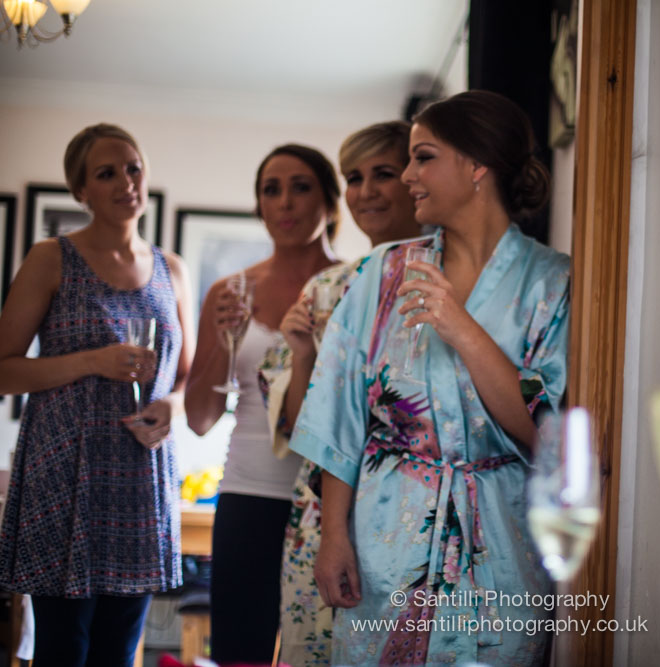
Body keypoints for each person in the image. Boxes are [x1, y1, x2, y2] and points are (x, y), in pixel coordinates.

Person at [289, 90, 571, 666]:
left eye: (424, 157)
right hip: (383, 539)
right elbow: (339, 419)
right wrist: (334, 535)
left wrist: (463, 329)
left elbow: (548, 434)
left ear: (476, 165)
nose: (408, 176)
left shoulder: (553, 283)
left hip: (503, 544)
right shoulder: (381, 274)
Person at [0, 123, 194, 666]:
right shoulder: (50, 258)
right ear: (81, 191)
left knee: (119, 648)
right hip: (65, 475)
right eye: (107, 173)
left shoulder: (171, 270)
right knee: (64, 649)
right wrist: (93, 361)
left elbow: (187, 379)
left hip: (140, 478)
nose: (127, 182)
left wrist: (170, 408)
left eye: (133, 168)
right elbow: (3, 371)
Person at [256, 121, 422, 666]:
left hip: (420, 507)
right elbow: (302, 430)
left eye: (384, 174)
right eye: (354, 177)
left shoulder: (450, 275)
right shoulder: (325, 290)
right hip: (323, 512)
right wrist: (302, 354)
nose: (366, 191)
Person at [185, 144, 341, 664]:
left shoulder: (353, 285)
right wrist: (222, 338)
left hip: (330, 498)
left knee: (322, 650)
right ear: (258, 206)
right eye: (270, 189)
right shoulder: (232, 291)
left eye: (301, 186)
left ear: (330, 201)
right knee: (239, 651)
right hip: (248, 490)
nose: (285, 202)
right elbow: (200, 419)